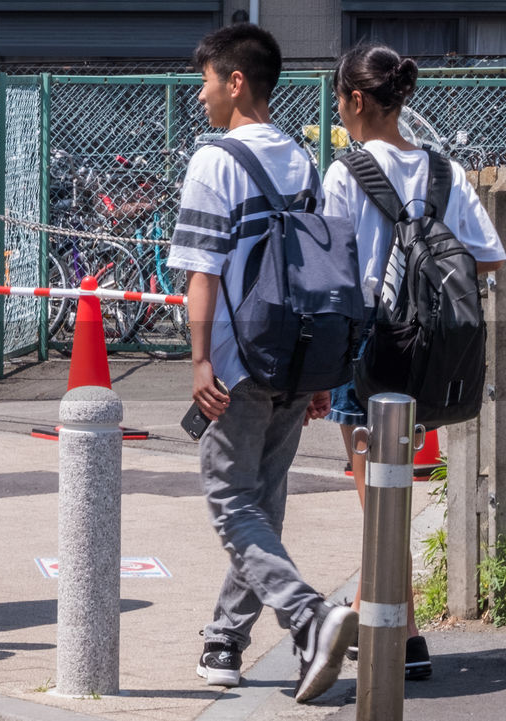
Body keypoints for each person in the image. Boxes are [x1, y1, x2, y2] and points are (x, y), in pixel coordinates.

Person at [167, 24, 358, 703]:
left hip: (235, 360)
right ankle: (226, 639)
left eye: (207, 80)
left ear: (236, 82)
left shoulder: (213, 161)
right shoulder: (301, 161)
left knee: (228, 500)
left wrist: (197, 360)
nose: (201, 95)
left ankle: (308, 615)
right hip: (294, 352)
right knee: (262, 503)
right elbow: (317, 268)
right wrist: (317, 374)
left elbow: (201, 273)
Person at [323, 43, 506, 680]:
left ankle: (392, 634)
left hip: (368, 352)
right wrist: (427, 254)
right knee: (390, 500)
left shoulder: (345, 173)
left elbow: (333, 272)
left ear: (355, 100)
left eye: (341, 101)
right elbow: (487, 255)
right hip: (430, 357)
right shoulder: (444, 171)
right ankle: (391, 628)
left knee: (378, 503)